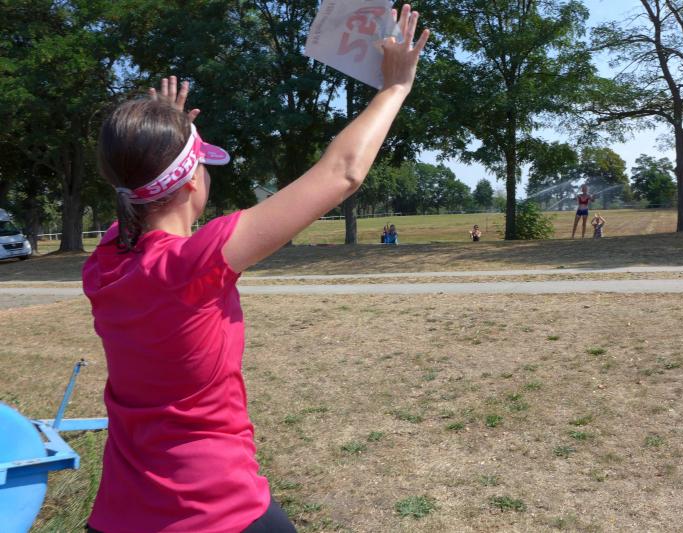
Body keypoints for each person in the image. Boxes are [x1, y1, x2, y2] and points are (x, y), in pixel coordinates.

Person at [81, 6, 429, 533]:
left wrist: (159, 134)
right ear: (193, 180)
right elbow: (342, 172)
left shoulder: (104, 263)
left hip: (118, 515)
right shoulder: (194, 264)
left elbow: (136, 189)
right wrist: (395, 87)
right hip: (212, 511)